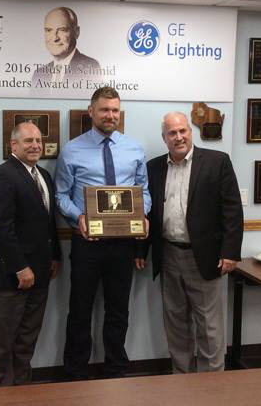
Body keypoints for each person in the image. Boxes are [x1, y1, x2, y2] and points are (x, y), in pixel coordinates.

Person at [55, 86, 151, 380]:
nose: (110, 115)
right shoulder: (72, 149)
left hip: (123, 244)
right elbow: (60, 196)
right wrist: (79, 216)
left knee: (118, 311)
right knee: (80, 311)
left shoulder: (134, 149)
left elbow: (143, 191)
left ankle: (116, 371)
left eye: (115, 110)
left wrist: (142, 214)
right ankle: (75, 373)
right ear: (91, 112)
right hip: (87, 243)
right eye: (104, 110)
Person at [136, 112, 243, 373]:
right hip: (169, 254)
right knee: (176, 324)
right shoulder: (154, 168)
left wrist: (230, 252)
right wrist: (141, 251)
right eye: (172, 133)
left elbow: (232, 210)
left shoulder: (217, 162)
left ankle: (211, 388)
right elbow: (147, 213)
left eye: (183, 130)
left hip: (204, 257)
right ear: (164, 138)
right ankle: (181, 384)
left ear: (190, 132)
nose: (179, 137)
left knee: (209, 327)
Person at [0, 122, 61, 386]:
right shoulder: (2, 176)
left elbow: (49, 224)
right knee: (0, 346)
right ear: (13, 145)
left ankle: (21, 394)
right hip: (11, 277)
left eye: (38, 140)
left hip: (40, 275)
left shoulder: (43, 177)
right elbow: (1, 228)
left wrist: (55, 257)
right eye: (28, 141)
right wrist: (19, 267)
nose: (35, 145)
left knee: (26, 342)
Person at [31, 7, 100, 86]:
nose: (55, 38)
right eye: (49, 30)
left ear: (76, 32)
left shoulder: (90, 66)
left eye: (62, 30)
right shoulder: (38, 74)